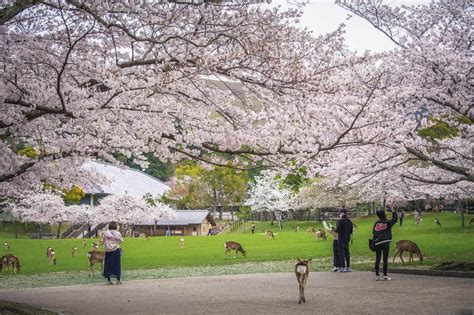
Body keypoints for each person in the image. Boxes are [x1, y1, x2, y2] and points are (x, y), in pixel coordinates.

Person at [373, 208, 397, 281]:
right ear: (384, 214)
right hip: (385, 242)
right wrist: (393, 211)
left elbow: (373, 232)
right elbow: (395, 219)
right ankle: (385, 275)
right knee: (385, 259)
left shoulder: (376, 223)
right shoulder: (387, 222)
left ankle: (377, 275)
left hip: (377, 242)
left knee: (378, 259)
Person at [334, 208, 353, 272]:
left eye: (340, 213)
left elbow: (337, 230)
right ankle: (348, 266)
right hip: (347, 238)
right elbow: (351, 231)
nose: (339, 214)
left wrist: (333, 229)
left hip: (341, 238)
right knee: (347, 252)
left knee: (341, 252)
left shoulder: (340, 221)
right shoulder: (349, 221)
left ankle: (342, 266)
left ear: (342, 213)